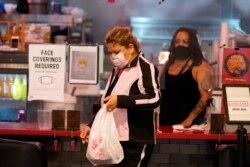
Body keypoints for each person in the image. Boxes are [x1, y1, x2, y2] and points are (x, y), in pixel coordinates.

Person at [80, 26, 161, 167]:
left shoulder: (145, 68)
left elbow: (154, 98)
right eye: (110, 52)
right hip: (116, 140)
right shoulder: (116, 71)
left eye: (116, 52)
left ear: (130, 47)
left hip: (136, 141)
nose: (113, 57)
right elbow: (107, 104)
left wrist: (120, 100)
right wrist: (91, 126)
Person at [159, 27, 213, 127]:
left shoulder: (200, 66)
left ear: (192, 45)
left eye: (185, 42)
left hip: (188, 127)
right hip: (163, 124)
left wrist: (189, 120)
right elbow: (158, 91)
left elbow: (206, 96)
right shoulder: (167, 64)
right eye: (177, 41)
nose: (180, 44)